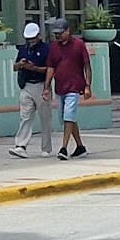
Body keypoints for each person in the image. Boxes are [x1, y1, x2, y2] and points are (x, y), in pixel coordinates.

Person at [9, 21, 55, 158]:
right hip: (26, 85)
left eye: (33, 38)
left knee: (45, 118)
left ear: (39, 36)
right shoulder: (23, 49)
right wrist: (21, 64)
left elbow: (49, 69)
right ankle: (21, 145)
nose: (31, 41)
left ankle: (46, 148)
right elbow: (14, 67)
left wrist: (34, 68)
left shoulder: (46, 49)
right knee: (25, 116)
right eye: (29, 38)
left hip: (41, 85)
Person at [47, 18, 91, 160]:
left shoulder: (78, 45)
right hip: (60, 87)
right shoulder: (54, 47)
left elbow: (87, 66)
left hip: (74, 86)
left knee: (68, 116)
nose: (58, 36)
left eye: (60, 33)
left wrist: (87, 86)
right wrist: (46, 86)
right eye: (56, 34)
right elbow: (51, 67)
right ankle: (80, 147)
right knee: (66, 118)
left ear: (68, 31)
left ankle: (64, 148)